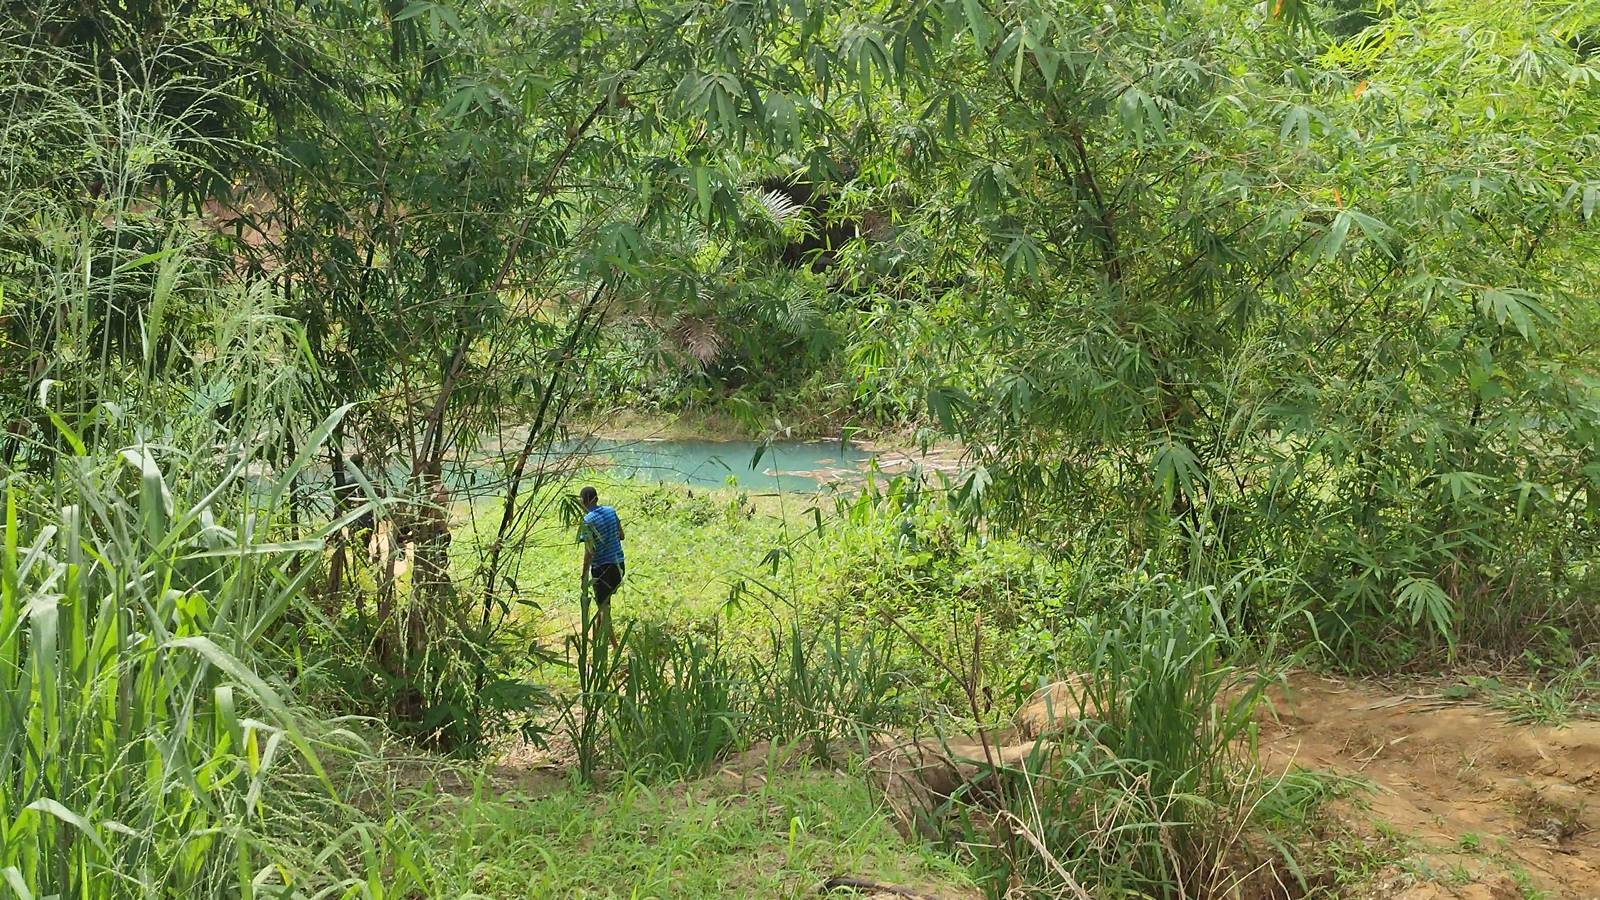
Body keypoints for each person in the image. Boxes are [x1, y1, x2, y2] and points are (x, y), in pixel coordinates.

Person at [576, 485, 625, 644]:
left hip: (601, 569)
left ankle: (615, 647)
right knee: (604, 603)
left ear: (582, 501)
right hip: (619, 566)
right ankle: (596, 640)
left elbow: (589, 552)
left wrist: (584, 576)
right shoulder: (611, 511)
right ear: (596, 498)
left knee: (604, 610)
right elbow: (621, 535)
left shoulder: (587, 521)